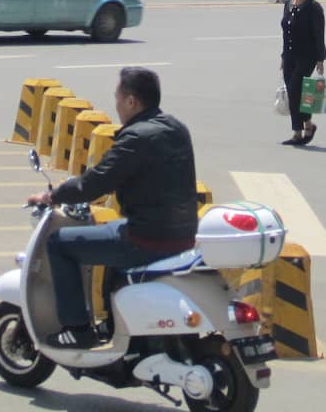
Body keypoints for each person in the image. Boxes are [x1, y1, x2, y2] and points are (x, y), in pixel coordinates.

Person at [25, 66, 197, 349]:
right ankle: (112, 323)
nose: (115, 104)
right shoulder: (176, 128)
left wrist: (52, 197)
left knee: (59, 244)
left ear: (131, 101)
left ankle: (76, 329)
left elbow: (95, 183)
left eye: (117, 97)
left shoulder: (136, 138)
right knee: (109, 232)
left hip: (148, 238)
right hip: (182, 234)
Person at [279, 0, 326, 147]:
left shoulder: (313, 7)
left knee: (295, 88)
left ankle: (305, 126)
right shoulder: (288, 4)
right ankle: (300, 130)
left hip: (307, 56)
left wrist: (320, 59)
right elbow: (285, 33)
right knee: (293, 94)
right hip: (290, 55)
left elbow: (319, 34)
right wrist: (283, 56)